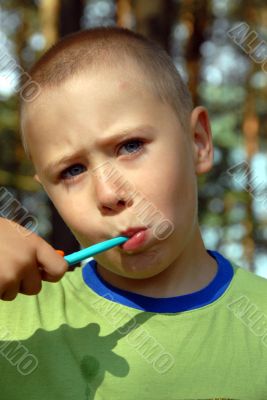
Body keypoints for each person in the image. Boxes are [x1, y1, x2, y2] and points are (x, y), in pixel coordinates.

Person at [0, 26, 266, 400]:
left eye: (130, 146)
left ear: (198, 143)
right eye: (72, 171)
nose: (109, 194)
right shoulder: (14, 328)